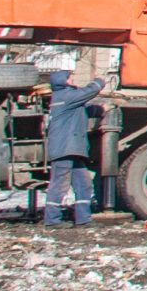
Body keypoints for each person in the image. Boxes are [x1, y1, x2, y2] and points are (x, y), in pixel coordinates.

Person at [42, 70, 107, 227]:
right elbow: (89, 91)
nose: (72, 80)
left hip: (72, 148)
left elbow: (81, 112)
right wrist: (99, 81)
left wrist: (100, 110)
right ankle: (52, 220)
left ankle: (84, 219)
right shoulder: (66, 95)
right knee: (59, 184)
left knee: (83, 184)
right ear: (63, 81)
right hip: (65, 148)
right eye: (70, 77)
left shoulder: (64, 98)